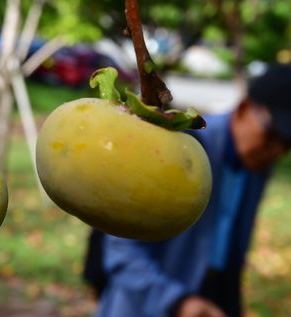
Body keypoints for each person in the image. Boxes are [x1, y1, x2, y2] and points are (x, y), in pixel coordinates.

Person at [84, 63, 291, 317]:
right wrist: (177, 301)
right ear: (243, 109)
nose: (277, 150)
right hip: (145, 302)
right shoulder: (182, 150)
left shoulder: (257, 168)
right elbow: (120, 248)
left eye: (287, 144)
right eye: (272, 134)